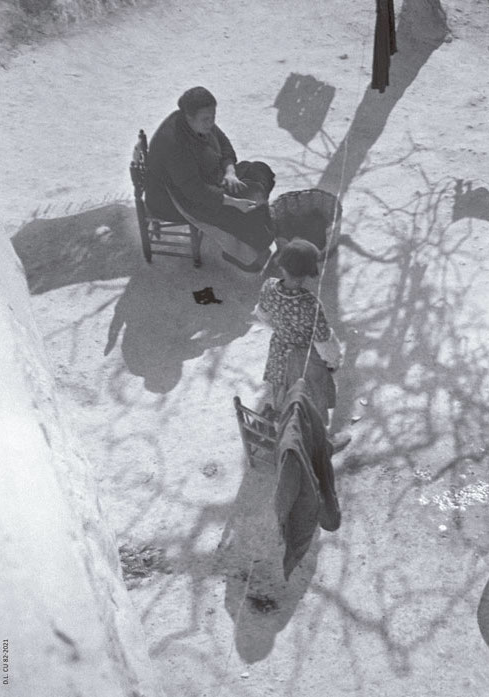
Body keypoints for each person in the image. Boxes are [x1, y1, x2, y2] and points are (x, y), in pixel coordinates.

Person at [145, 86, 277, 272]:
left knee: (259, 171)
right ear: (189, 117)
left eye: (213, 117)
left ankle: (255, 232)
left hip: (209, 178)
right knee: (240, 211)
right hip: (175, 199)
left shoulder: (198, 121)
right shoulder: (174, 144)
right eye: (206, 119)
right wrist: (232, 202)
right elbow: (194, 190)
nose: (211, 123)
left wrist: (230, 172)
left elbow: (224, 144)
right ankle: (241, 255)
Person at [254, 239, 350, 449]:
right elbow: (324, 341)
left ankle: (285, 433)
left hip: (279, 352)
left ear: (283, 264)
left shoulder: (269, 286)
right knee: (311, 404)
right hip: (306, 361)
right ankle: (322, 444)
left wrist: (283, 330)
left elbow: (262, 315)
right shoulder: (310, 303)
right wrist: (334, 361)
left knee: (282, 395)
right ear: (308, 271)